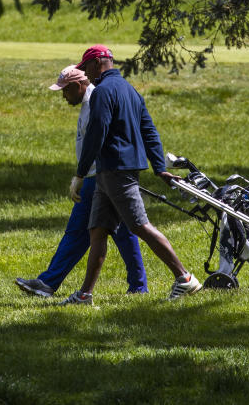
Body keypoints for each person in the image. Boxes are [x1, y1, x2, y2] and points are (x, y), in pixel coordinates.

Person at [57, 45, 202, 305]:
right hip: (112, 170)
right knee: (98, 230)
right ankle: (85, 294)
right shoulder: (130, 90)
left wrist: (80, 174)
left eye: (86, 67)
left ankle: (185, 278)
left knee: (138, 225)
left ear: (99, 63)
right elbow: (150, 131)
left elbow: (97, 132)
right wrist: (159, 168)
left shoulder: (103, 91)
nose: (85, 74)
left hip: (116, 169)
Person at [15, 65, 148, 298]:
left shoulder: (95, 101)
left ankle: (143, 285)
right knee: (100, 231)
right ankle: (49, 282)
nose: (63, 97)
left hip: (100, 176)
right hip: (96, 175)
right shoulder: (88, 103)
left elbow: (97, 140)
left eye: (65, 91)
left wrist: (81, 175)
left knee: (114, 231)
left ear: (78, 86)